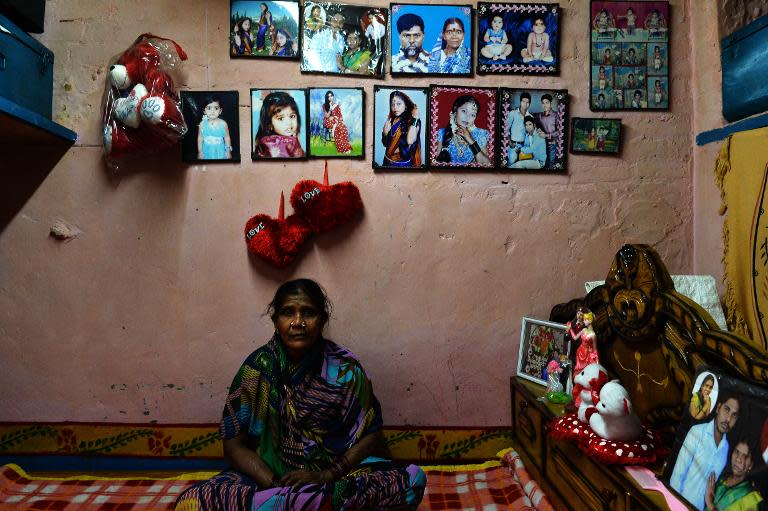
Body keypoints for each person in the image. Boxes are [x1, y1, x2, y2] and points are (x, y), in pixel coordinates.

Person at [175, 279, 427, 511]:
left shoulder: (345, 370)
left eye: (308, 312)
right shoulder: (256, 369)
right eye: (288, 312)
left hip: (332, 479)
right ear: (276, 321)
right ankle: (299, 503)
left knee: (411, 480)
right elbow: (233, 445)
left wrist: (326, 476)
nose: (298, 322)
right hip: (268, 482)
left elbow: (371, 435)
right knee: (193, 503)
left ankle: (298, 504)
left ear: (323, 319)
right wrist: (275, 484)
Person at [671, 395, 741, 510]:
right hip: (677, 505)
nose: (728, 419)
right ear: (718, 408)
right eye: (727, 409)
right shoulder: (697, 433)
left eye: (734, 415)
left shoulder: (726, 448)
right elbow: (677, 477)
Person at [705, 438, 764, 511]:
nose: (738, 459)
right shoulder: (722, 478)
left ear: (751, 465)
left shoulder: (751, 498)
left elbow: (709, 502)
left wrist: (710, 504)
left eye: (745, 456)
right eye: (737, 452)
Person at [435, 95, 490, 165]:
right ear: (455, 110)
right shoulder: (442, 133)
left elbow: (487, 165)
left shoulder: (481, 134)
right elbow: (436, 164)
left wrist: (470, 140)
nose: (467, 117)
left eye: (472, 115)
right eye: (464, 111)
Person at [254, 92, 304, 159]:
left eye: (292, 116)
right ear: (269, 124)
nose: (289, 123)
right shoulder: (283, 142)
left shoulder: (264, 141)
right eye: (281, 118)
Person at [382, 90, 421, 167]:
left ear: (405, 105)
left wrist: (416, 119)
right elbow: (385, 144)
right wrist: (385, 133)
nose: (395, 107)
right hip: (387, 162)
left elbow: (410, 141)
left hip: (402, 164)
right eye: (392, 104)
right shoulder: (391, 120)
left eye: (398, 104)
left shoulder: (412, 120)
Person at [197, 96, 232, 160]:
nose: (212, 111)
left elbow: (227, 137)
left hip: (220, 150)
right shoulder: (202, 124)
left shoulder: (223, 124)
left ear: (220, 111)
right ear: (204, 111)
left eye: (216, 108)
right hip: (206, 150)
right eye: (209, 108)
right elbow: (200, 138)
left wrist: (228, 151)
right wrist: (200, 152)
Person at [534, 93, 559, 167]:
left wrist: (546, 135)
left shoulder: (556, 115)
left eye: (547, 102)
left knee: (551, 163)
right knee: (541, 164)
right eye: (543, 103)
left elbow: (559, 132)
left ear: (551, 103)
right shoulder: (539, 116)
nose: (545, 105)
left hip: (552, 144)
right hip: (542, 144)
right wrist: (538, 129)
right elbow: (533, 123)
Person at [572, 311, 598, 377]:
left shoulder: (593, 335)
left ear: (590, 321)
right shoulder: (584, 330)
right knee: (577, 371)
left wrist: (596, 361)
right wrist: (570, 329)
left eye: (585, 320)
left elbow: (595, 350)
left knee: (584, 372)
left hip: (587, 355)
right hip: (580, 351)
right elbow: (575, 338)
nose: (584, 321)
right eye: (584, 320)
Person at [507, 92, 531, 163]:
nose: (525, 104)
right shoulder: (513, 113)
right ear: (520, 102)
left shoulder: (530, 117)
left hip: (524, 147)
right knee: (511, 165)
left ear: (529, 104)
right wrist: (510, 143)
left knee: (522, 168)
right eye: (523, 101)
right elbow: (505, 130)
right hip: (513, 145)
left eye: (527, 102)